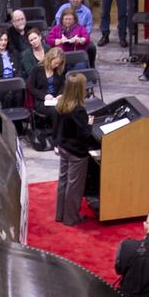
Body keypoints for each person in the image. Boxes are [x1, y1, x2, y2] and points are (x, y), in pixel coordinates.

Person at [51, 71, 93, 226]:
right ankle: (71, 218)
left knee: (63, 181)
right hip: (76, 152)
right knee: (74, 185)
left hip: (63, 147)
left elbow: (56, 127)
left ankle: (60, 214)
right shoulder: (79, 110)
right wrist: (89, 124)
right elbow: (83, 135)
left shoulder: (60, 104)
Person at [27, 47, 67, 139]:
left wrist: (60, 94)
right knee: (56, 110)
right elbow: (31, 87)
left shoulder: (59, 70)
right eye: (55, 63)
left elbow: (62, 85)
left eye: (59, 63)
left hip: (56, 99)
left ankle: (66, 134)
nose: (57, 65)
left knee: (69, 106)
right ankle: (57, 137)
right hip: (42, 101)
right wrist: (44, 96)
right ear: (49, 59)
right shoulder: (37, 69)